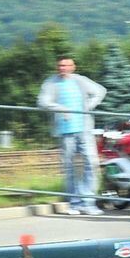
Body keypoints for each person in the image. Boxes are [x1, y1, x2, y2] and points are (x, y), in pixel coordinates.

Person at [37, 55, 107, 215]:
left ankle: (89, 202)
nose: (63, 68)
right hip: (65, 130)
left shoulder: (80, 80)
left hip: (84, 129)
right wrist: (60, 108)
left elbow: (100, 91)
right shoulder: (51, 83)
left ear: (73, 67)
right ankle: (74, 203)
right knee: (69, 166)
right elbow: (42, 102)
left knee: (90, 163)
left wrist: (89, 106)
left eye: (66, 65)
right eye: (60, 65)